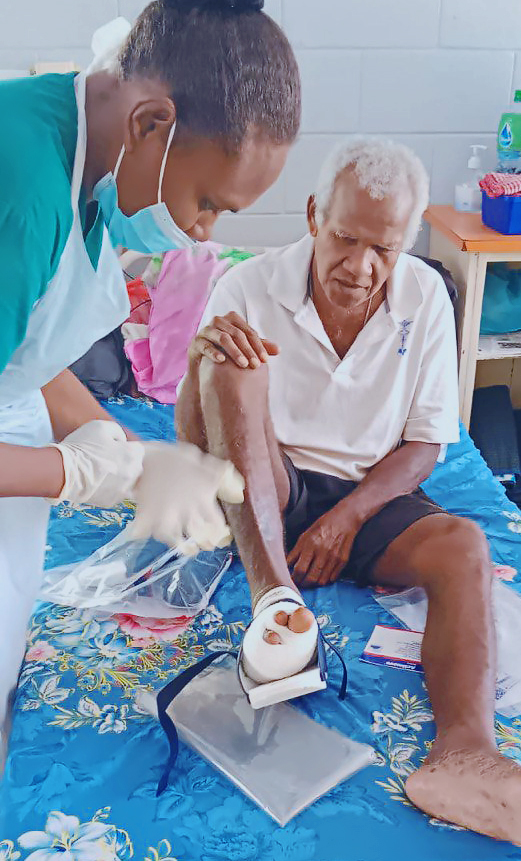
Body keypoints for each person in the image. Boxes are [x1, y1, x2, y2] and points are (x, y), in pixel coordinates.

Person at [177, 138, 521, 848]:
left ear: (406, 244)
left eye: (383, 249)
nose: (361, 267)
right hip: (269, 477)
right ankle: (277, 603)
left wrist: (347, 518)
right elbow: (199, 440)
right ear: (312, 216)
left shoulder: (425, 295)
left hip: (368, 492)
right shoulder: (248, 287)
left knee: (464, 543)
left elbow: (425, 443)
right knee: (233, 368)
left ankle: (465, 754)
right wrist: (201, 372)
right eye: (346, 238)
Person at [0, 0, 300, 758]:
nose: (204, 234)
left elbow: (23, 355)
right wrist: (83, 471)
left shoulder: (92, 158)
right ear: (149, 125)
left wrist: (137, 455)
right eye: (206, 205)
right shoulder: (25, 193)